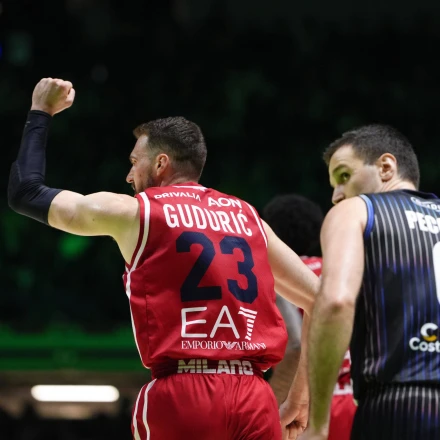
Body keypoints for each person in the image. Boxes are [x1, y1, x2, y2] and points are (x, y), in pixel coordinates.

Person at [7, 78, 320, 440]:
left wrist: (40, 112)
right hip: (254, 396)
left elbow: (25, 192)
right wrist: (301, 396)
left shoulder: (138, 212)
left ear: (161, 163)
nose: (129, 175)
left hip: (184, 392)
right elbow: (320, 299)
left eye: (134, 162)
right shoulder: (250, 219)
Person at [301, 124, 440, 440]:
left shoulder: (356, 211)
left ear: (386, 167)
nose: (336, 195)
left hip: (397, 407)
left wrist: (318, 424)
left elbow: (336, 302)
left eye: (344, 176)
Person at [263, 194, 356, 440]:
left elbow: (294, 349)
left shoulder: (276, 277)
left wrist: (270, 408)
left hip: (313, 400)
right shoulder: (341, 271)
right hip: (359, 396)